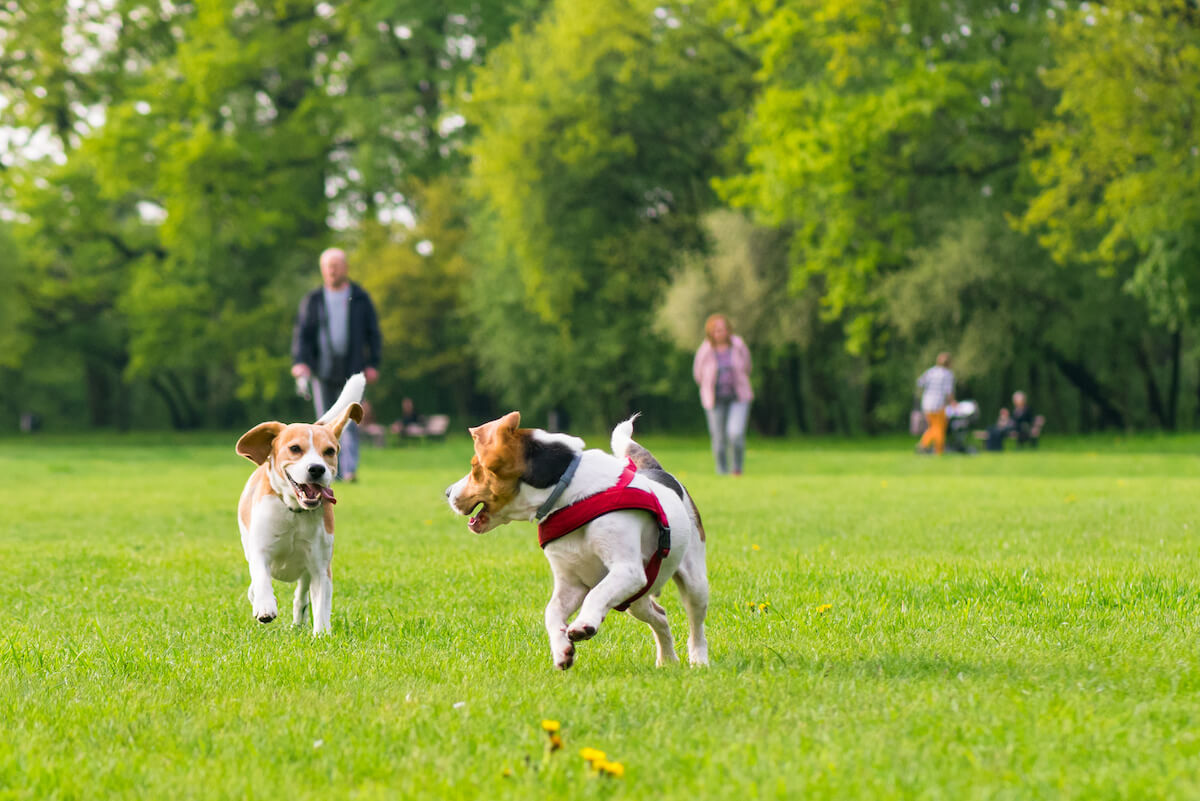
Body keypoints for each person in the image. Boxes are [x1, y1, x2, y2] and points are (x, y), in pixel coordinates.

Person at [291, 247, 382, 481]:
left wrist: (373, 363)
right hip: (321, 370)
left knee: (348, 421)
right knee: (323, 422)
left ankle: (349, 470)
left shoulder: (360, 298)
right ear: (323, 270)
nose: (332, 270)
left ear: (345, 268)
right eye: (327, 266)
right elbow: (302, 333)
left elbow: (373, 333)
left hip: (352, 370)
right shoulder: (313, 300)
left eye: (336, 265)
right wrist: (300, 362)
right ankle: (329, 471)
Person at [692, 313, 753, 475]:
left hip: (738, 397)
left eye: (722, 329)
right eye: (716, 330)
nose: (720, 333)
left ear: (728, 330)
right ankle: (722, 471)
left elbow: (747, 366)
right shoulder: (705, 350)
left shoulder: (738, 346)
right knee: (719, 439)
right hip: (714, 400)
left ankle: (737, 470)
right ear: (711, 332)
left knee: (736, 434)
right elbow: (698, 374)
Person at [915, 352, 955, 455]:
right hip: (938, 405)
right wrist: (953, 403)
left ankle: (924, 444)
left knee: (933, 427)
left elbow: (919, 382)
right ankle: (937, 450)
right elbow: (949, 391)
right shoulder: (947, 374)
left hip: (927, 403)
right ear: (949, 363)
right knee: (939, 428)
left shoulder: (931, 371)